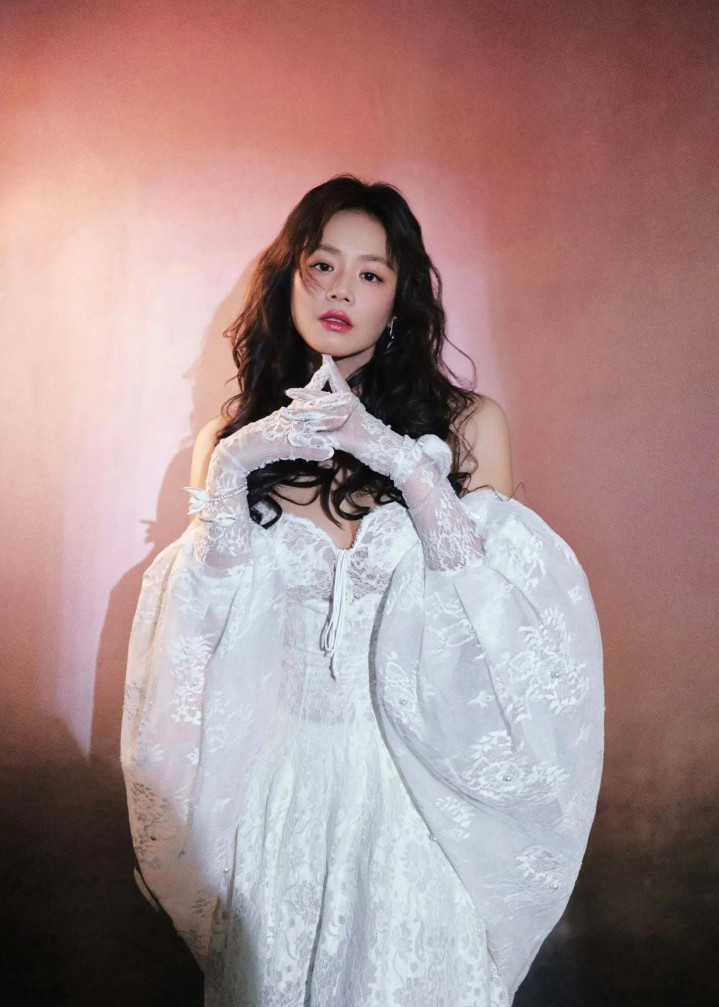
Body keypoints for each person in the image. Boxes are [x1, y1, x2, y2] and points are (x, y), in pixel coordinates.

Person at [121, 174, 604, 1006]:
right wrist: (233, 462)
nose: (341, 290)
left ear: (398, 297)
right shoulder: (230, 438)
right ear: (290, 278)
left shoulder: (470, 426)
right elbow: (203, 625)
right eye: (322, 265)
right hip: (281, 802)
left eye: (370, 273)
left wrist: (401, 462)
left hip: (416, 802)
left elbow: (498, 625)